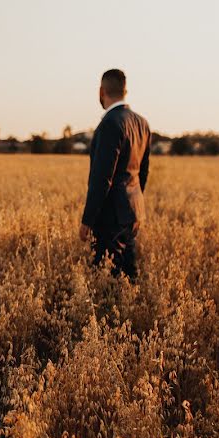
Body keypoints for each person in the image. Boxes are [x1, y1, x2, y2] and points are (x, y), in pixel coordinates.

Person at [79, 69, 151, 280]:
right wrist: (133, 203)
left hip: (111, 217)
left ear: (101, 91)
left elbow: (102, 179)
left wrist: (88, 220)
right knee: (129, 275)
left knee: (106, 277)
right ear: (125, 90)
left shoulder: (110, 124)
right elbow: (143, 172)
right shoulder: (142, 123)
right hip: (134, 211)